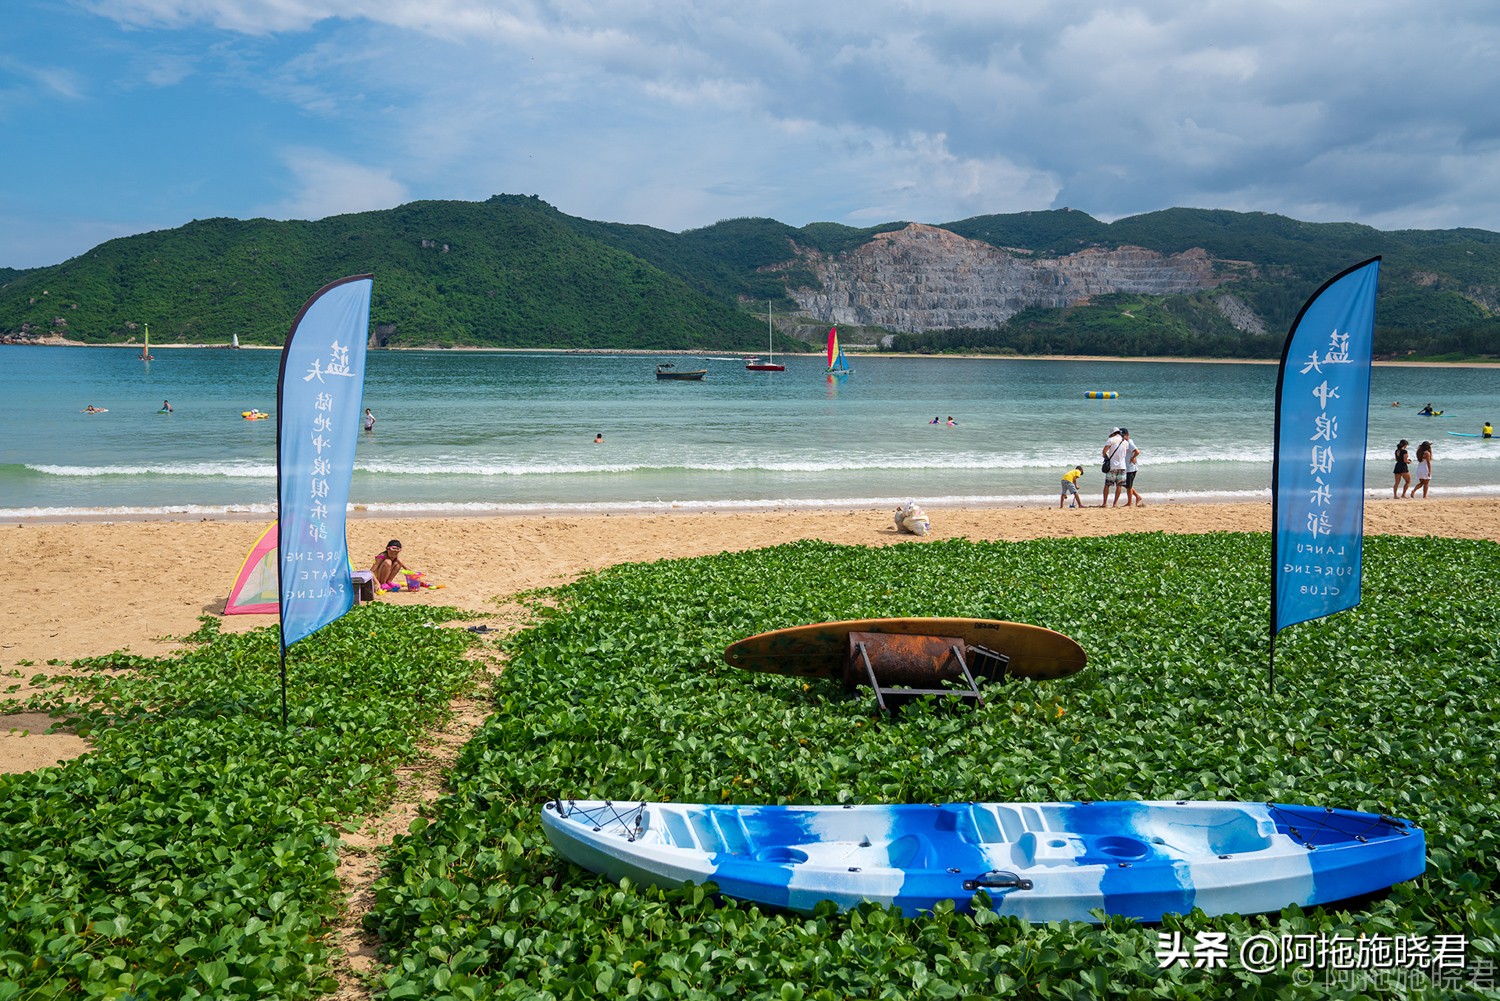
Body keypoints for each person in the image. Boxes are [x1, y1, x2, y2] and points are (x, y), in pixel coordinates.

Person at [1101, 427, 1127, 507]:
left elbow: (1104, 452)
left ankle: (1104, 503)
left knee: (1107, 485)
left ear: (1112, 433)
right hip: (1122, 466)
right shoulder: (1125, 442)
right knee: (1119, 486)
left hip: (1112, 466)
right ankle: (1115, 504)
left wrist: (1106, 458)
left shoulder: (1111, 440)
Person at [1123, 431, 1143, 507]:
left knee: (1128, 486)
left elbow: (1137, 451)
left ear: (1127, 435)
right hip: (1127, 467)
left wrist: (1133, 457)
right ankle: (1138, 497)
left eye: (1123, 435)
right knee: (1126, 485)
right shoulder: (1125, 442)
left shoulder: (1129, 442)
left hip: (1130, 468)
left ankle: (1129, 502)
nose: (1121, 437)